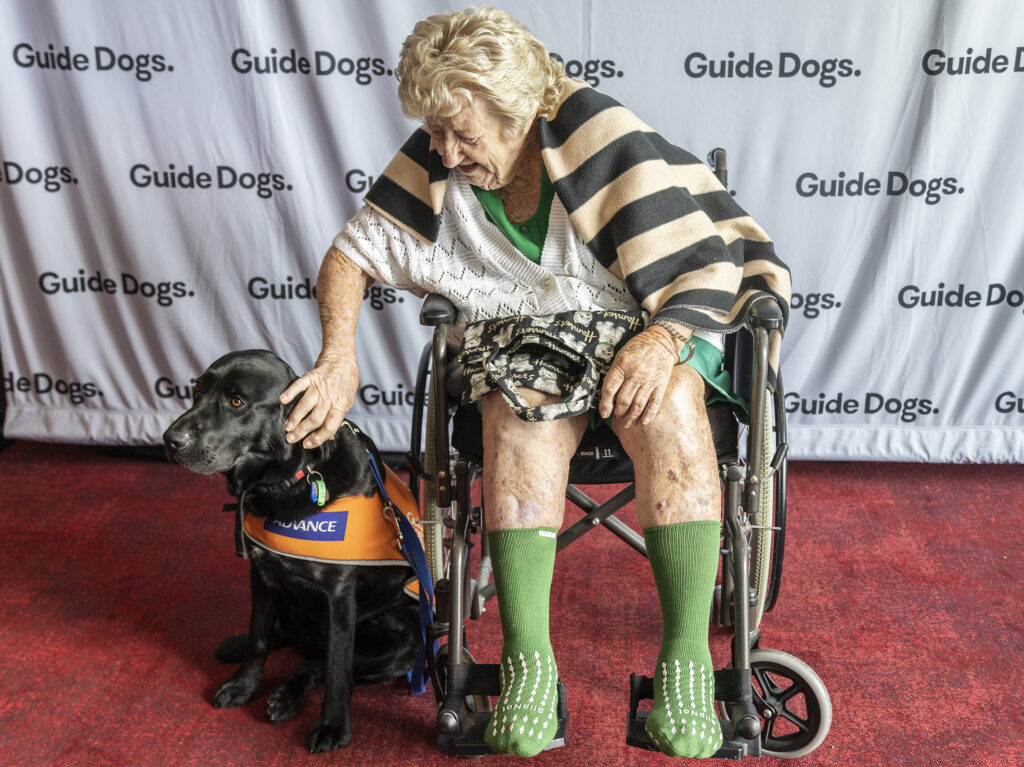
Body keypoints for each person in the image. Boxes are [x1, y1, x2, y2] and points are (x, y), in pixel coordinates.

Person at [280, 6, 789, 759]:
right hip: (533, 332)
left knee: (670, 400)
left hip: (653, 311)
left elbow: (702, 262)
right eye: (436, 130)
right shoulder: (437, 153)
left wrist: (663, 338)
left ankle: (684, 656)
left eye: (463, 132)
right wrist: (338, 357)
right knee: (519, 409)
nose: (446, 151)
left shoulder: (594, 132)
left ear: (516, 110)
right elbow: (351, 252)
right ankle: (528, 664)